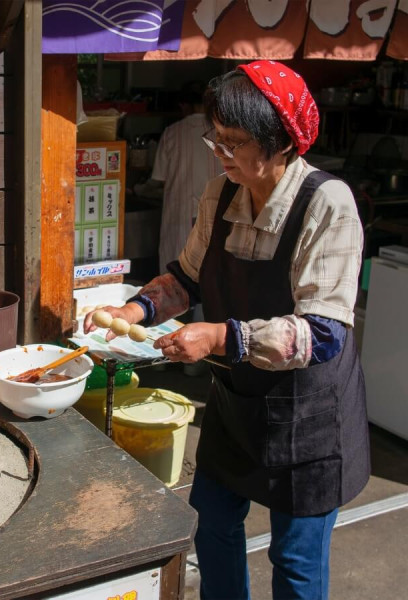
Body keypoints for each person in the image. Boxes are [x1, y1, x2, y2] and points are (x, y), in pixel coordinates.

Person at [83, 61, 369, 600]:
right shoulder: (219, 195)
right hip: (239, 403)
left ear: (281, 142)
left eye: (233, 143)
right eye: (216, 137)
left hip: (307, 411)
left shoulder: (327, 204)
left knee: (295, 558)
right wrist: (136, 310)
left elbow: (324, 332)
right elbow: (187, 279)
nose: (219, 152)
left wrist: (219, 338)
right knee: (210, 522)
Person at [143, 82, 223, 275]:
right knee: (211, 275)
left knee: (176, 277)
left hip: (179, 216)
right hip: (215, 214)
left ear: (183, 105)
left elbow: (159, 177)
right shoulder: (220, 133)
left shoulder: (172, 132)